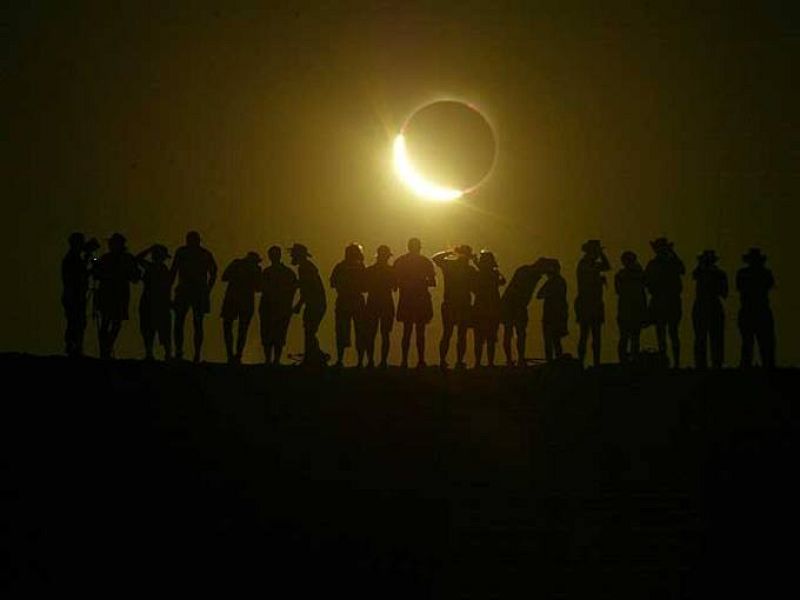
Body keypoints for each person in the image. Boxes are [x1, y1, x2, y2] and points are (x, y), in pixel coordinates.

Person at [171, 231, 217, 363]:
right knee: (192, 323)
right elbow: (214, 272)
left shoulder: (183, 252)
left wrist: (208, 289)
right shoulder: (203, 254)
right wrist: (208, 289)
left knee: (184, 323)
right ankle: (191, 354)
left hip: (189, 291)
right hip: (194, 292)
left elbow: (174, 271)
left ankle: (185, 353)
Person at [93, 233, 140, 359]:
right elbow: (135, 277)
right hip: (114, 293)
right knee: (110, 322)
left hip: (114, 293)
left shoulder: (108, 258)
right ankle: (106, 348)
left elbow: (134, 276)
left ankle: (106, 348)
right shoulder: (113, 258)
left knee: (111, 322)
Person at [393, 238, 436, 368]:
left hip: (407, 299)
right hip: (421, 299)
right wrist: (420, 282)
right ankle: (421, 360)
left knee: (407, 331)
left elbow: (394, 284)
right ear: (419, 247)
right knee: (420, 332)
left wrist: (407, 283)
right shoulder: (425, 262)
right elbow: (433, 282)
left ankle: (404, 361)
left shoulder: (400, 261)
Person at [432, 245, 477, 370]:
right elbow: (477, 286)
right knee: (460, 334)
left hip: (451, 303)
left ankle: (443, 361)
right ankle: (458, 361)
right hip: (462, 304)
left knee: (448, 333)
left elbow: (435, 258)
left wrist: (451, 252)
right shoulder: (469, 270)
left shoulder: (450, 266)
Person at [645, 237, 685, 368]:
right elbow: (647, 282)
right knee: (664, 332)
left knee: (671, 332)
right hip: (663, 301)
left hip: (669, 300)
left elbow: (682, 269)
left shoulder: (669, 263)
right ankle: (667, 360)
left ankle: (675, 362)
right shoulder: (654, 264)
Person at [500, 258, 548, 366]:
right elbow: (520, 290)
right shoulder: (529, 273)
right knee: (514, 332)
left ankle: (515, 359)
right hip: (512, 305)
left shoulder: (526, 271)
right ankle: (515, 359)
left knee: (514, 332)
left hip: (515, 305)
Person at [220, 251, 262, 364]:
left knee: (231, 327)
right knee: (241, 329)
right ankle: (236, 355)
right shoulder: (255, 269)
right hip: (243, 301)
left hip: (233, 299)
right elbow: (259, 288)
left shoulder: (237, 264)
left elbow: (224, 277)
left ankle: (232, 355)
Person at [736, 248, 775, 368]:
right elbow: (769, 285)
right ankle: (767, 367)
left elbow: (740, 287)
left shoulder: (743, 273)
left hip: (749, 310)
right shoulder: (765, 273)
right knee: (764, 341)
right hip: (760, 310)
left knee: (749, 342)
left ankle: (747, 367)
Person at [259, 246, 298, 365]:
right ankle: (272, 360)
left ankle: (272, 360)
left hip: (278, 307)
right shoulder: (286, 272)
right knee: (273, 334)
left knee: (275, 334)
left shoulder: (269, 272)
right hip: (274, 307)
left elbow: (294, 288)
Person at [330, 243, 368, 367]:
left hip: (344, 301)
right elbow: (365, 287)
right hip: (356, 301)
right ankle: (360, 361)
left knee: (342, 331)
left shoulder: (340, 267)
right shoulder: (361, 267)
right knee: (360, 331)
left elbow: (333, 283)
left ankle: (340, 360)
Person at [61, 232, 98, 357]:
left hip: (75, 294)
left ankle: (75, 347)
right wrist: (89, 259)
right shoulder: (72, 258)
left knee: (77, 321)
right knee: (76, 321)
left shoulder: (73, 257)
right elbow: (80, 276)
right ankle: (75, 347)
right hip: (74, 295)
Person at [291, 243, 328, 366]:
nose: (291, 256)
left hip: (315, 303)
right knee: (309, 330)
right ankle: (314, 354)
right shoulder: (307, 267)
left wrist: (299, 304)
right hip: (317, 303)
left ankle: (314, 355)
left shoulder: (305, 268)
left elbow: (307, 289)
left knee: (309, 330)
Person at [575, 240, 610, 367]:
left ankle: (596, 363)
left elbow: (607, 266)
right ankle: (582, 363)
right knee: (585, 335)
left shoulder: (589, 264)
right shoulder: (584, 264)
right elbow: (606, 266)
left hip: (594, 303)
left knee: (595, 336)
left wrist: (601, 253)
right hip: (586, 304)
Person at [136, 244, 173, 361]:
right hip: (156, 301)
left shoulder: (155, 268)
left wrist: (149, 249)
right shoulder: (160, 269)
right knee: (154, 328)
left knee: (153, 328)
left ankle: (154, 353)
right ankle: (159, 353)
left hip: (153, 300)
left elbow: (138, 259)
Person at [692, 250, 728, 369]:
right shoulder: (718, 273)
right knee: (712, 338)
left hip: (705, 306)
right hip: (711, 306)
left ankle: (704, 364)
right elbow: (724, 293)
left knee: (704, 338)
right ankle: (713, 364)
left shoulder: (705, 273)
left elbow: (724, 292)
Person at [364, 245, 397, 368]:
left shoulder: (369, 270)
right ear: (387, 256)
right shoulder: (391, 270)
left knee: (371, 333)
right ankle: (383, 361)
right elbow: (395, 288)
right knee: (385, 334)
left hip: (372, 302)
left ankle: (370, 361)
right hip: (386, 302)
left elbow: (364, 288)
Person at [471, 250, 505, 367]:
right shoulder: (494, 274)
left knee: (478, 338)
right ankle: (490, 363)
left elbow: (474, 288)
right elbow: (502, 281)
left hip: (480, 306)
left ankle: (478, 363)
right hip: (493, 307)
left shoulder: (477, 274)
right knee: (491, 337)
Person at [615, 251, 647, 364]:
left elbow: (618, 291)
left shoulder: (622, 275)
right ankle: (630, 360)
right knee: (630, 337)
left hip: (630, 310)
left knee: (629, 337)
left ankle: (628, 361)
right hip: (629, 309)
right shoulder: (636, 274)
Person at [536, 258, 568, 362]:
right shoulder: (556, 281)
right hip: (552, 314)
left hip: (554, 314)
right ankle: (554, 361)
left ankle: (553, 362)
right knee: (554, 340)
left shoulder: (556, 281)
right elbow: (539, 295)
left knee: (552, 340)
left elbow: (540, 295)